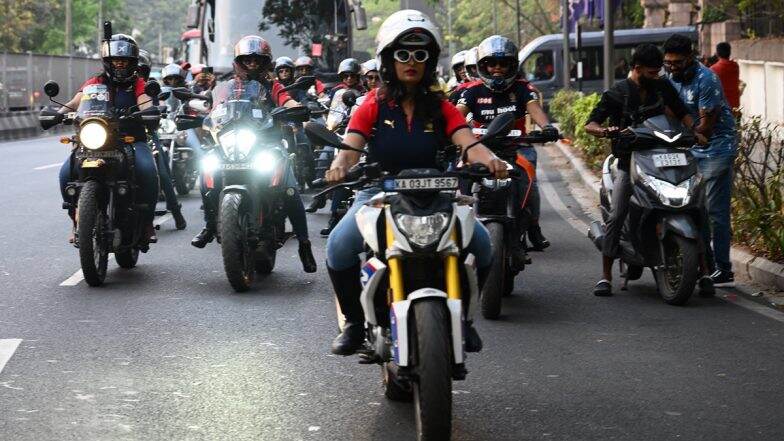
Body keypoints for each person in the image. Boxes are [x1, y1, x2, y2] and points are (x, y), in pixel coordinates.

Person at [325, 10, 509, 356]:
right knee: (338, 245)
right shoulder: (372, 104)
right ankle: (353, 323)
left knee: (484, 246)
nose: (411, 62)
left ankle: (465, 321)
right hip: (379, 190)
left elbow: (468, 142)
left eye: (420, 55)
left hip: (437, 190)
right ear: (387, 60)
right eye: (403, 54)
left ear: (430, 61)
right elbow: (351, 147)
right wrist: (338, 166)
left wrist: (492, 161)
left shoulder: (440, 106)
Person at [584, 43, 712, 296]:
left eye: (658, 72)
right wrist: (603, 131)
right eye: (652, 73)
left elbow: (682, 113)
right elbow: (591, 123)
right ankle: (606, 275)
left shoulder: (662, 86)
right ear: (637, 68)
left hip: (667, 155)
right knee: (618, 212)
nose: (657, 76)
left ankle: (706, 270)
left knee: (697, 206)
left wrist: (696, 131)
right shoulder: (616, 93)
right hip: (629, 160)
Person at [190, 35, 317, 273]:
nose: (252, 63)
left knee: (290, 189)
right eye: (247, 59)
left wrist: (296, 109)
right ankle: (210, 225)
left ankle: (304, 243)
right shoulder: (227, 87)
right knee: (206, 171)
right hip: (231, 144)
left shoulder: (273, 86)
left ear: (265, 61)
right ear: (239, 61)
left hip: (266, 144)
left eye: (257, 59)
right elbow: (214, 109)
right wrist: (204, 118)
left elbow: (287, 102)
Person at [456, 35, 558, 267]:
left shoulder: (523, 89)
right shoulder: (471, 92)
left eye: (503, 64)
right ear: (483, 66)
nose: (497, 69)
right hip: (478, 149)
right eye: (492, 64)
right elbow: (456, 115)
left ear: (513, 66)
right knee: (457, 176)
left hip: (516, 147)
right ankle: (460, 230)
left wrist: (547, 127)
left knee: (529, 179)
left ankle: (531, 227)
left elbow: (535, 109)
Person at [56, 34, 159, 246]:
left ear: (132, 62)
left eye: (124, 60)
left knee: (148, 169)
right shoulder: (95, 82)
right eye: (115, 60)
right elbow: (76, 102)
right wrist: (56, 113)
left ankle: (147, 222)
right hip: (95, 141)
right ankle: (77, 220)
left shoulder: (138, 84)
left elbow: (145, 102)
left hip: (131, 140)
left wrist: (150, 112)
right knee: (66, 172)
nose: (119, 64)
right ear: (107, 62)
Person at [664, 34, 738, 286]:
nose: (673, 68)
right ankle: (704, 265)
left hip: (717, 148)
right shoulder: (671, 79)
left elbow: (706, 127)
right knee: (694, 209)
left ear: (691, 57)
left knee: (714, 211)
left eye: (678, 63)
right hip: (691, 148)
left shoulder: (706, 79)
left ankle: (723, 268)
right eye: (668, 63)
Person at [137, 51, 187, 231]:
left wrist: (157, 112)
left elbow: (157, 108)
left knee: (163, 171)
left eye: (139, 69)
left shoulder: (149, 87)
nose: (135, 72)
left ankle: (175, 211)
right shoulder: (109, 85)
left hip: (146, 134)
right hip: (114, 136)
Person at [710, 42, 741, 112]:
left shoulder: (713, 69)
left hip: (721, 106)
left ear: (717, 54)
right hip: (735, 104)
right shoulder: (735, 66)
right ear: (729, 53)